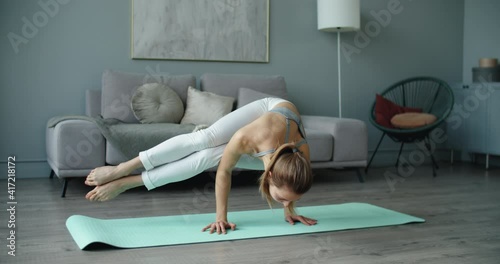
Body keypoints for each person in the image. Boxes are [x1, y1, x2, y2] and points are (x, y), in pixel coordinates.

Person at [85, 97, 317, 234]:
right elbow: (224, 172)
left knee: (210, 157)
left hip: (283, 130)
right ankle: (122, 169)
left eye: (289, 200)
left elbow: (290, 185)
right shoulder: (246, 138)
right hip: (271, 107)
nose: (287, 203)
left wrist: (290, 209)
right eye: (284, 200)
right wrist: (220, 216)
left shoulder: (301, 157)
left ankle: (130, 183)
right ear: (268, 175)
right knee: (205, 141)